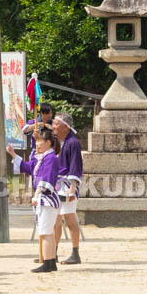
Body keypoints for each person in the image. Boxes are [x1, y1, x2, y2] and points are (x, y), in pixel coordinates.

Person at [8, 126, 62, 273]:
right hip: (45, 199)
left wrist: (37, 193)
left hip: (46, 198)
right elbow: (28, 167)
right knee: (47, 232)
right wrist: (13, 154)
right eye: (37, 142)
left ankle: (48, 262)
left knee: (45, 232)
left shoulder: (50, 158)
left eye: (40, 142)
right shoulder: (43, 158)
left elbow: (47, 178)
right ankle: (50, 262)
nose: (37, 144)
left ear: (48, 142)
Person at [51, 113, 84, 265]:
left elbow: (76, 165)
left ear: (65, 127)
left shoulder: (73, 143)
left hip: (68, 185)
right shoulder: (57, 142)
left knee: (70, 220)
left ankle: (75, 253)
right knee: (55, 221)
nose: (53, 126)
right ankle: (52, 253)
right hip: (57, 186)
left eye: (56, 124)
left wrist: (73, 186)